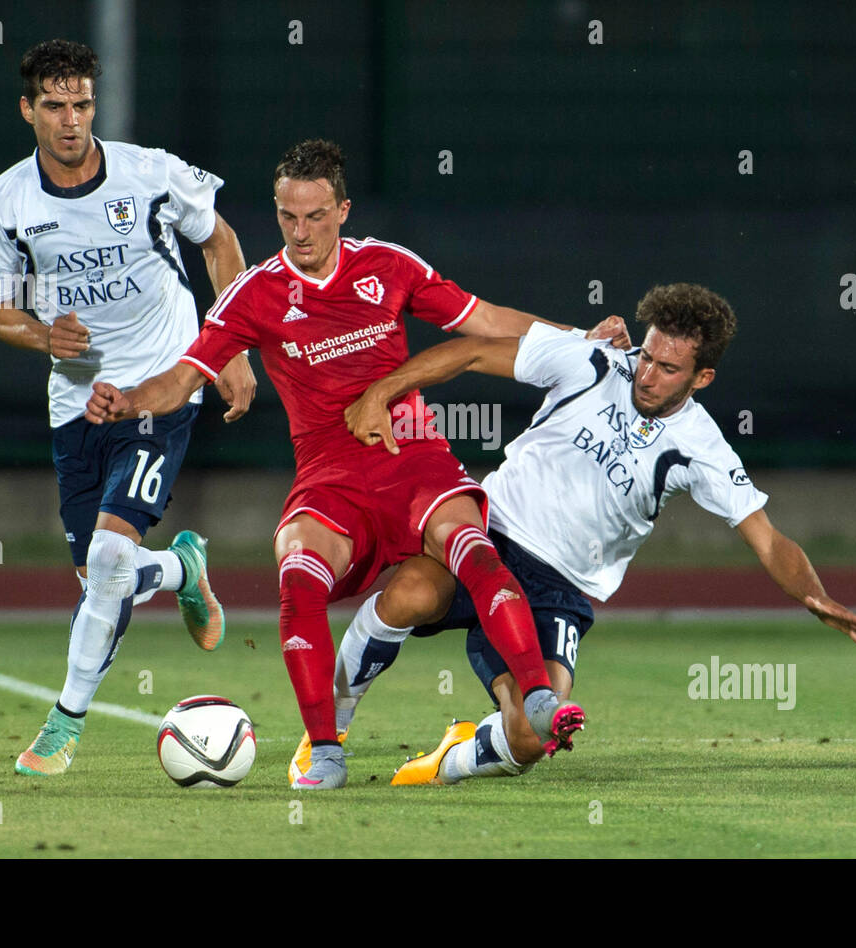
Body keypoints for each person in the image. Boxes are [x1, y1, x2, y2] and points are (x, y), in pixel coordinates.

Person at [85, 139, 602, 789]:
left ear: (343, 209)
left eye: (316, 216)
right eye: (287, 217)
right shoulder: (255, 294)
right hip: (330, 478)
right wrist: (128, 400)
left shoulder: (389, 266)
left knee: (473, 547)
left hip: (415, 460)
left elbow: (489, 320)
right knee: (297, 575)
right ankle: (326, 749)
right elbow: (186, 375)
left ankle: (537, 696)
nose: (301, 232)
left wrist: (580, 341)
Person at [336, 283, 856, 785]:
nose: (646, 374)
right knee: (406, 596)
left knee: (533, 735)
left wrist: (815, 595)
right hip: (487, 535)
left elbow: (767, 538)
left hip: (559, 590)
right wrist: (384, 389)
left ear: (702, 378)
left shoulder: (701, 446)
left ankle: (449, 760)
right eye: (646, 355)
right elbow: (472, 350)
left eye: (668, 368)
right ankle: (327, 733)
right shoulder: (593, 360)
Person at [0, 39, 257, 776]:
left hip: (163, 383)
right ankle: (183, 571)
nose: (71, 120)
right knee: (104, 581)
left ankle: (64, 725)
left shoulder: (150, 172)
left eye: (83, 104)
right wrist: (43, 336)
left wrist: (234, 349)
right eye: (55, 106)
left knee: (113, 552)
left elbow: (218, 241)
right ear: (28, 109)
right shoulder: (3, 203)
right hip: (78, 404)